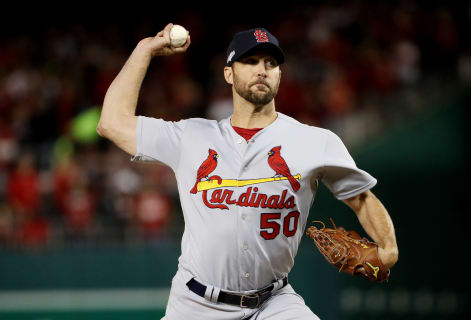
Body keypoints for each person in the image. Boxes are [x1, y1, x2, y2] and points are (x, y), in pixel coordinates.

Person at [97, 23, 399, 320]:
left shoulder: (315, 141)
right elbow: (111, 123)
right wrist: (144, 50)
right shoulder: (190, 137)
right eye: (250, 61)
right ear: (228, 73)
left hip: (274, 303)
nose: (262, 69)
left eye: (271, 63)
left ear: (279, 75)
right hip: (195, 305)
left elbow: (361, 199)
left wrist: (388, 250)